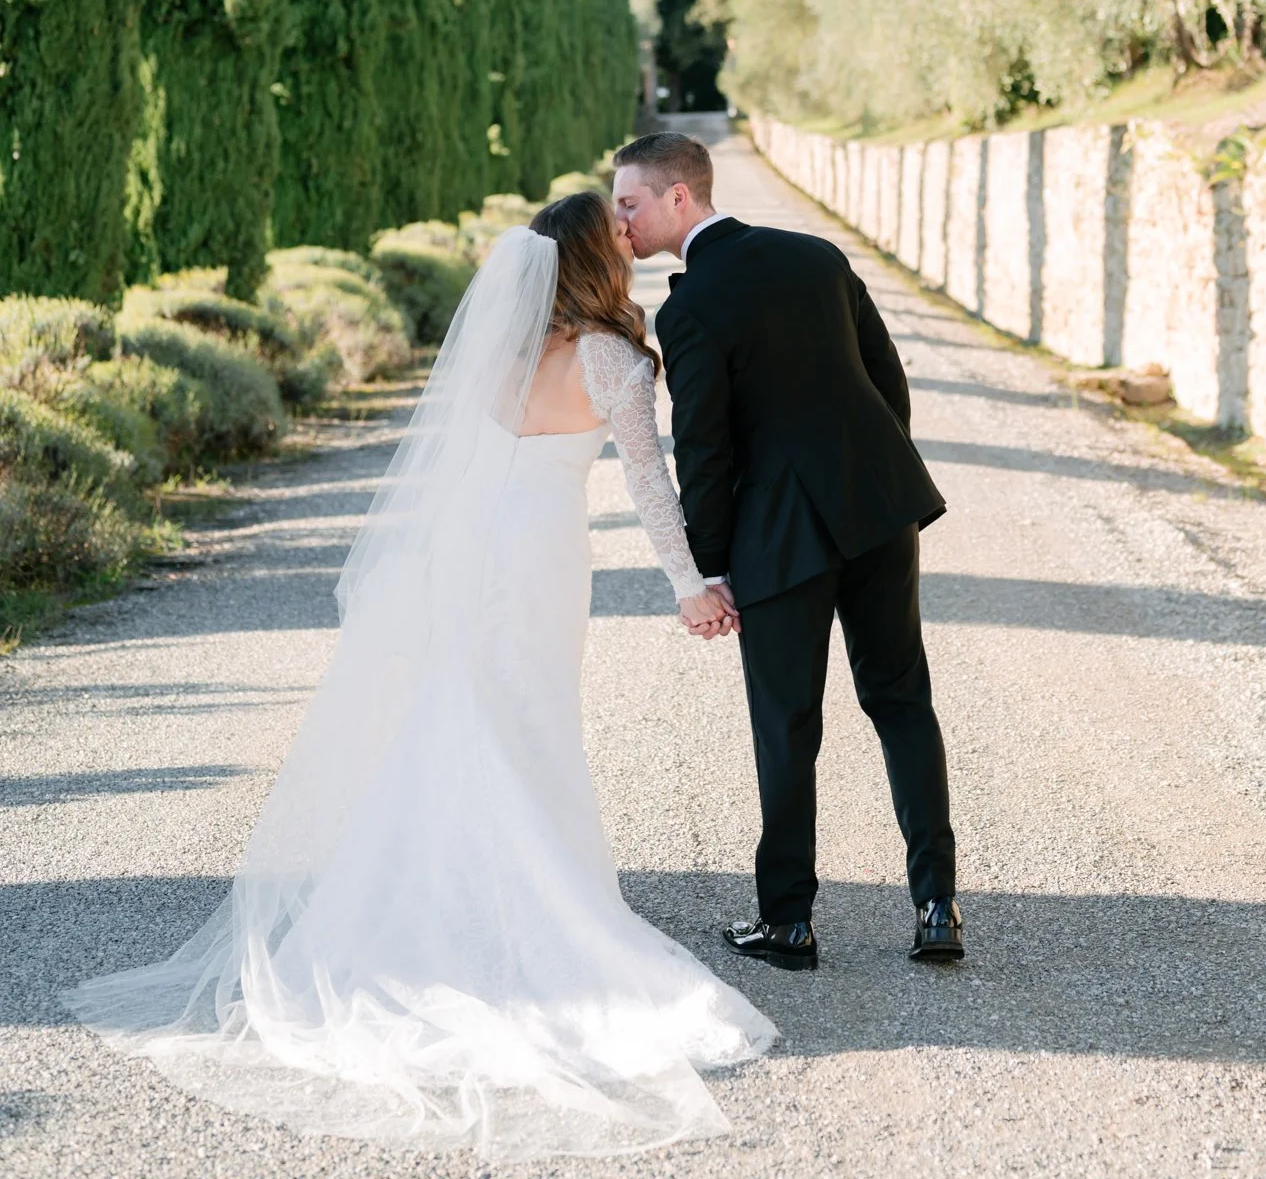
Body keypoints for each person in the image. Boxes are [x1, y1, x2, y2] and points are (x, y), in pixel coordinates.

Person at [65, 193, 775, 1159]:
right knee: (531, 724)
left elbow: (455, 468)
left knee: (462, 716)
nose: (628, 238)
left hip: (474, 554)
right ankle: (538, 906)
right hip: (539, 558)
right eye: (614, 235)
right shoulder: (611, 356)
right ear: (589, 265)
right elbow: (653, 485)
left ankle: (439, 896)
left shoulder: (499, 352)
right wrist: (690, 583)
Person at [613, 132, 963, 971]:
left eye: (628, 203)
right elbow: (886, 380)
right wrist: (872, 479)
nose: (618, 220)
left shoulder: (689, 309)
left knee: (785, 726)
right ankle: (937, 908)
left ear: (678, 199)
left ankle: (789, 924)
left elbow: (703, 452)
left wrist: (708, 567)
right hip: (878, 513)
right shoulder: (816, 256)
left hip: (778, 541)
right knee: (901, 700)